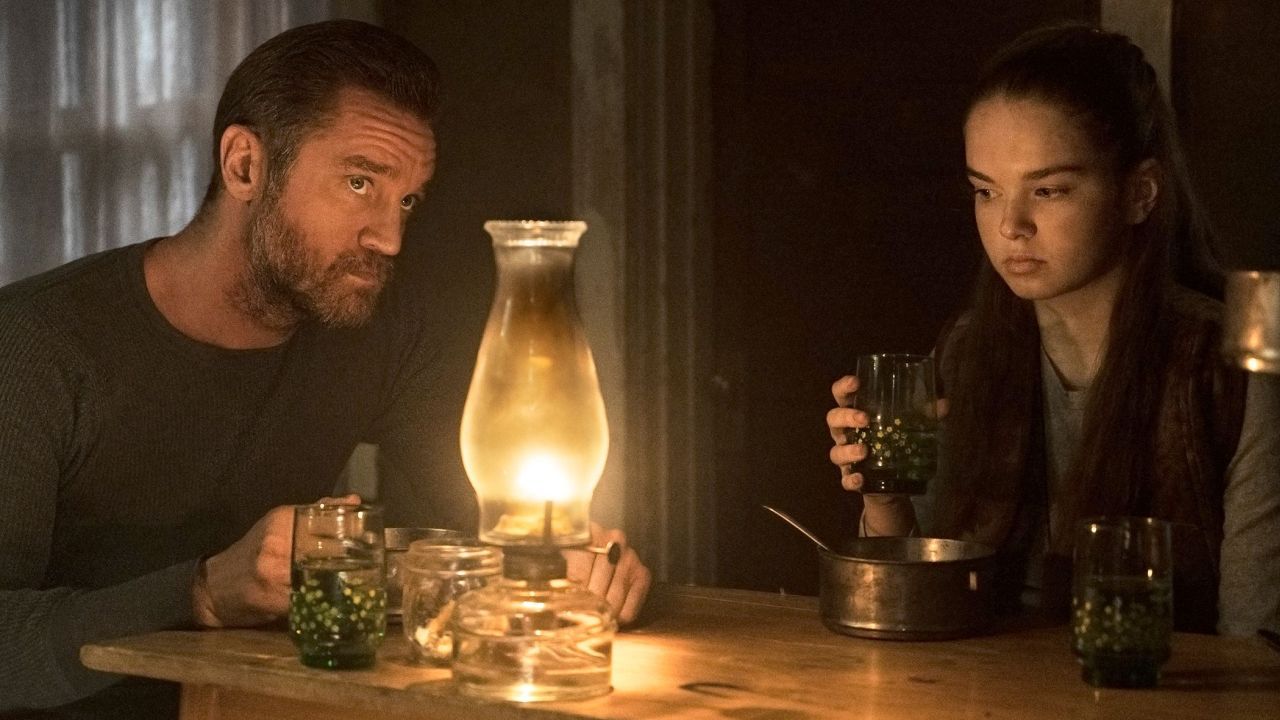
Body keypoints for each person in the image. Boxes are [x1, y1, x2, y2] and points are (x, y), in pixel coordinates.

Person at [0, 20, 650, 718]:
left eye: (407, 199)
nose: (389, 237)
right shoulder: (36, 343)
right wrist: (203, 592)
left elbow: (492, 520)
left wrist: (581, 561)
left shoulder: (377, 333)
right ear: (245, 166)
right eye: (360, 181)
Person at [826, 25, 1279, 635]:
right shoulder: (967, 352)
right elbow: (919, 600)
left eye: (1048, 189)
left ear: (1139, 193)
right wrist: (883, 498)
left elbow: (1257, 647)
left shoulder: (1228, 371)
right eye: (986, 191)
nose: (1010, 224)